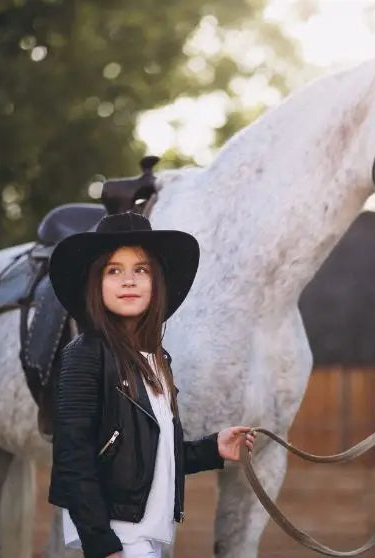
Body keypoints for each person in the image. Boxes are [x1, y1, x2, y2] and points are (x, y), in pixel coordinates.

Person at [47, 211, 256, 558]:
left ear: (156, 282)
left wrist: (211, 448)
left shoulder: (157, 360)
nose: (128, 280)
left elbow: (147, 454)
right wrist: (102, 545)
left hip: (151, 536)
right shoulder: (85, 355)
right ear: (96, 284)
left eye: (140, 270)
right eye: (114, 270)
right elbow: (73, 459)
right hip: (118, 537)